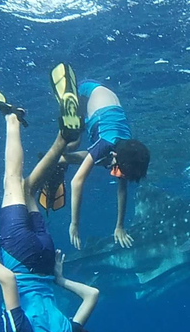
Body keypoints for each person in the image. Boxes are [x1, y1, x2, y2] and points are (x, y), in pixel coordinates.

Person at [0, 84, 99, 332]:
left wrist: (58, 278)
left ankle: (61, 142)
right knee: (12, 179)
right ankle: (12, 118)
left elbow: (93, 295)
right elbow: (7, 280)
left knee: (27, 189)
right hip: (18, 251)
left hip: (44, 257)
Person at [52, 63, 151, 250]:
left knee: (102, 162)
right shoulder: (106, 144)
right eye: (119, 170)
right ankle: (67, 94)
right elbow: (76, 182)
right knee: (73, 142)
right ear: (116, 155)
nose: (118, 175)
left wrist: (119, 226)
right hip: (85, 92)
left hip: (106, 103)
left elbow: (122, 190)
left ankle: (61, 160)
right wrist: (74, 224)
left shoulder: (126, 153)